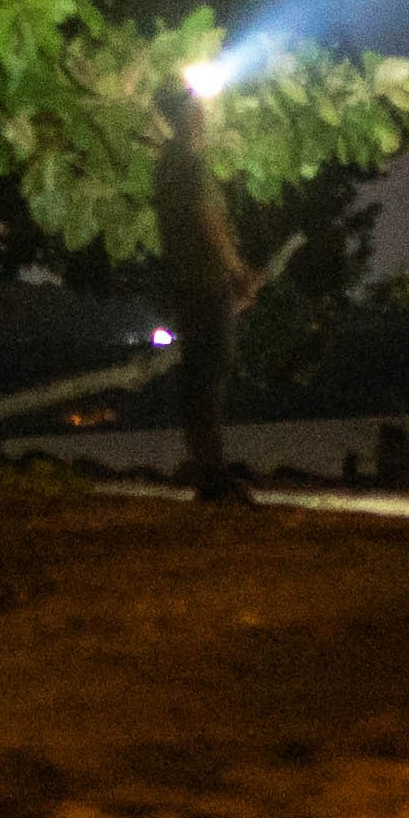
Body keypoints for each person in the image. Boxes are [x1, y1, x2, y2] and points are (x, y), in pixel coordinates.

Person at [154, 71, 255, 502]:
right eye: (198, 109)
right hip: (205, 283)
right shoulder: (190, 165)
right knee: (210, 377)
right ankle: (214, 477)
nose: (203, 115)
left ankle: (207, 472)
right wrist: (239, 271)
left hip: (183, 283)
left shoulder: (165, 164)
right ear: (190, 116)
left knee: (197, 378)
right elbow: (209, 220)